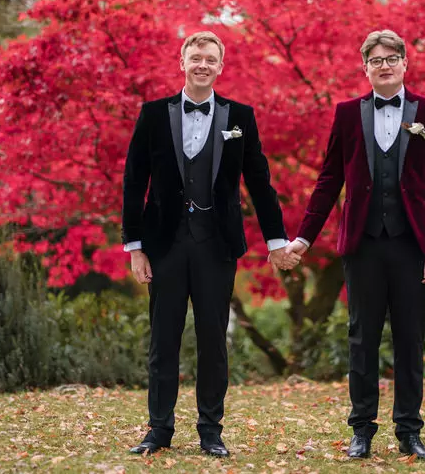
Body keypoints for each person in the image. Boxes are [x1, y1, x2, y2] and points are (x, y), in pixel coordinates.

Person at [122, 31, 299, 457]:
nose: (202, 65)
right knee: (163, 339)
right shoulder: (152, 114)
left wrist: (277, 241)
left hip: (216, 246)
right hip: (164, 244)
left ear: (221, 67)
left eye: (211, 59)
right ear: (182, 62)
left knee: (213, 340)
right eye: (195, 57)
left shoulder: (240, 116)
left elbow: (260, 182)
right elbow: (133, 182)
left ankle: (210, 431)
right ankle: (159, 430)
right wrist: (135, 247)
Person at [286, 29, 425, 460]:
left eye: (391, 57)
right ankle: (361, 429)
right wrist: (305, 236)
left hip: (412, 245)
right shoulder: (347, 114)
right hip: (361, 245)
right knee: (361, 339)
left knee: (409, 340)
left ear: (404, 64)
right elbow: (329, 180)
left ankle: (409, 432)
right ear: (365, 67)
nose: (383, 64)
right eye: (375, 59)